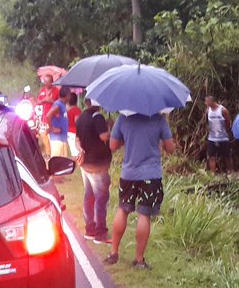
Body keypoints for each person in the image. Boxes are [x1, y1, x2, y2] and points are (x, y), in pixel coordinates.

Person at [105, 113, 176, 269]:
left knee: (123, 210)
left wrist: (127, 139)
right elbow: (170, 148)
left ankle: (113, 253)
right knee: (144, 214)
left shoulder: (123, 118)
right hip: (151, 175)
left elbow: (112, 145)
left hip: (128, 174)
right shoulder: (158, 119)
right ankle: (138, 260)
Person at [75, 97, 112, 243]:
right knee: (101, 198)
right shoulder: (98, 117)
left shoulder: (82, 116)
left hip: (86, 164)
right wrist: (109, 129)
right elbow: (103, 136)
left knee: (89, 196)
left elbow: (77, 140)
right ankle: (100, 233)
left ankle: (89, 229)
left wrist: (81, 150)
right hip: (98, 164)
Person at [203, 95, 232, 173]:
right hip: (212, 138)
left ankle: (229, 171)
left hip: (223, 137)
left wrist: (225, 130)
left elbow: (228, 122)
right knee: (211, 156)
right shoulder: (208, 111)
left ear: (212, 101)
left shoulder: (223, 110)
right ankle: (213, 173)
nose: (206, 103)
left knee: (227, 156)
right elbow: (206, 122)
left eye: (207, 101)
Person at [46, 87, 71, 158]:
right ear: (67, 95)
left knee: (63, 160)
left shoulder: (63, 105)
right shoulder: (58, 105)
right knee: (57, 160)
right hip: (57, 139)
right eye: (69, 96)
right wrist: (52, 128)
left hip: (62, 137)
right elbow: (48, 115)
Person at [66, 92, 82, 158]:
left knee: (73, 149)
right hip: (75, 132)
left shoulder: (67, 112)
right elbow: (77, 122)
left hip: (69, 132)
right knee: (77, 150)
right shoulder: (76, 110)